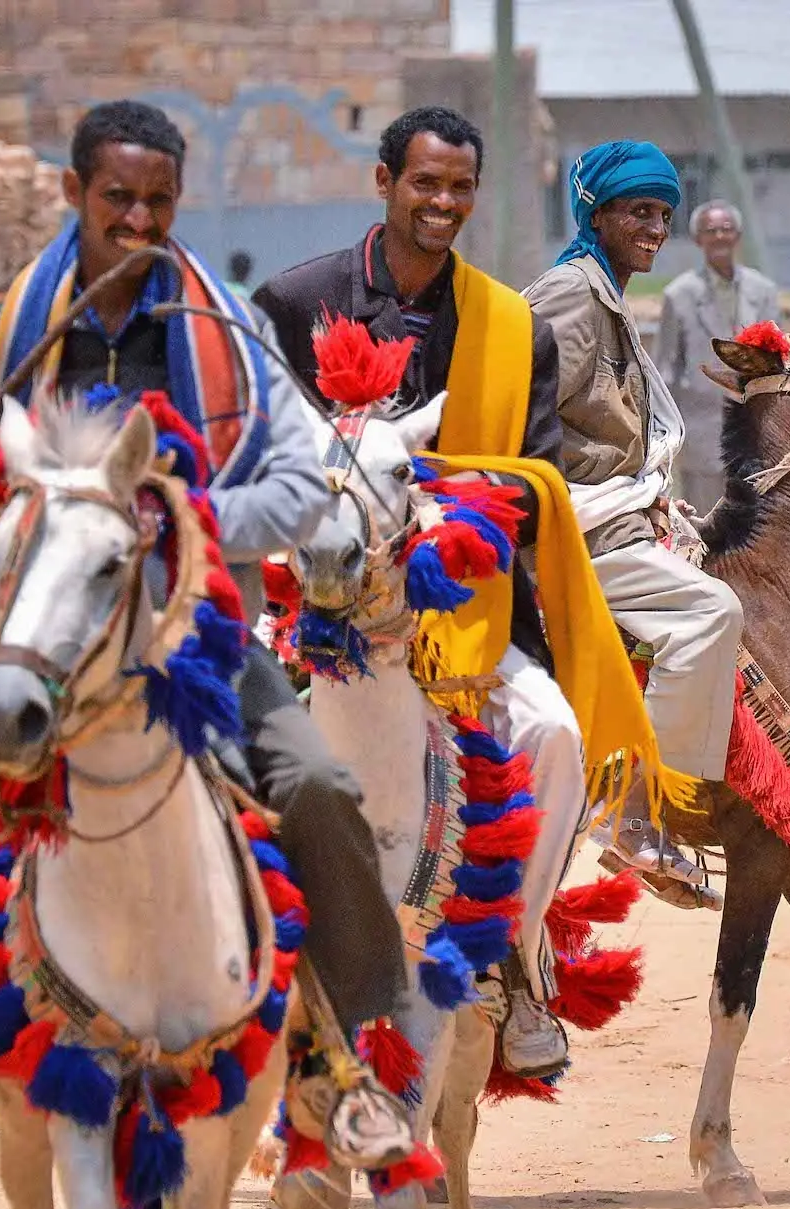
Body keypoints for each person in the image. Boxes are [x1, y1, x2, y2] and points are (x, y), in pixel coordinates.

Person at [0, 100, 408, 1175]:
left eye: (159, 201)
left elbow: (304, 484)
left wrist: (184, 526)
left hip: (189, 642)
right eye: (117, 198)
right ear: (74, 195)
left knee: (315, 786)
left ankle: (355, 1071)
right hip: (43, 646)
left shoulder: (227, 336)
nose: (139, 219)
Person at [257, 105, 655, 1075]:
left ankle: (507, 966)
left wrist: (440, 514)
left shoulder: (514, 329)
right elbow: (260, 456)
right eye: (424, 183)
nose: (442, 203)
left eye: (459, 188)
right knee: (226, 755)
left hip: (463, 614)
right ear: (385, 180)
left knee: (557, 737)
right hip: (316, 607)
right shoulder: (295, 303)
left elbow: (532, 486)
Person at [524, 141, 742, 906]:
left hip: (629, 505)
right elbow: (525, 423)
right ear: (597, 214)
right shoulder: (570, 298)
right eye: (636, 212)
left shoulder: (607, 292)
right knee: (711, 613)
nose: (653, 228)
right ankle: (638, 813)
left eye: (661, 215)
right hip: (582, 528)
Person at [656, 200, 780, 513]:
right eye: (710, 231)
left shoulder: (763, 290)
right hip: (702, 429)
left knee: (755, 522)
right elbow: (667, 367)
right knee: (706, 522)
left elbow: (779, 357)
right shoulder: (679, 294)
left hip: (755, 428)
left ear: (737, 236)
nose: (719, 237)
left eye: (726, 229)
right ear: (698, 239)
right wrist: (663, 434)